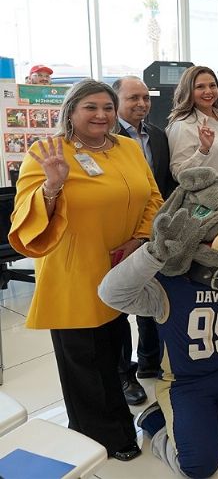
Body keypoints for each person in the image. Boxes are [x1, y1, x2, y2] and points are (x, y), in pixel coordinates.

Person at [9, 79, 163, 461]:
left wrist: (140, 239)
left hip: (120, 268)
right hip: (73, 272)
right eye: (90, 107)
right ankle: (104, 437)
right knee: (85, 362)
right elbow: (24, 217)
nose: (101, 115)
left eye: (107, 108)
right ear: (71, 111)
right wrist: (52, 186)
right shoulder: (46, 151)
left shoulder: (127, 147)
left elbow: (152, 197)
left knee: (111, 348)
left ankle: (112, 418)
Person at [112, 75, 174, 405]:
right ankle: (123, 373)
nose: (142, 104)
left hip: (154, 231)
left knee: (155, 293)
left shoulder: (159, 136)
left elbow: (163, 184)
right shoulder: (108, 137)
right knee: (121, 301)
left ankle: (149, 361)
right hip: (119, 233)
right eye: (133, 98)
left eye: (145, 98)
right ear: (117, 101)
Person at [166, 66, 218, 181]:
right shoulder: (182, 125)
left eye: (212, 85)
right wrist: (203, 150)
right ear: (188, 91)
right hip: (204, 196)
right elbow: (178, 173)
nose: (208, 91)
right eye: (200, 87)